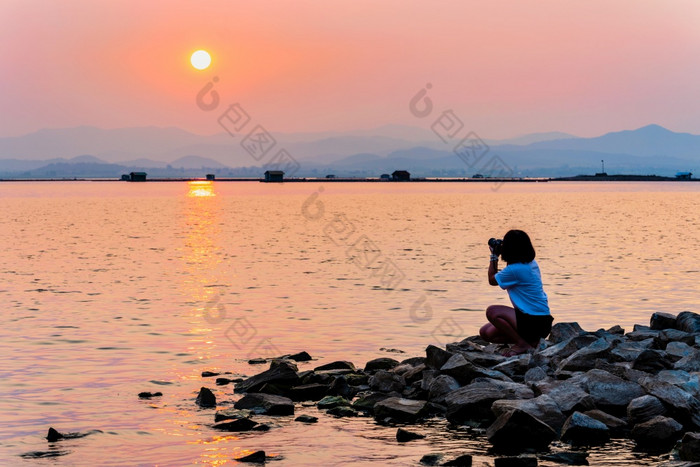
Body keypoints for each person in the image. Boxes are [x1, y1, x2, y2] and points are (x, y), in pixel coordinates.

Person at [479, 230, 553, 356]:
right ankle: (531, 342)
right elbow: (507, 271)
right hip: (541, 322)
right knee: (486, 332)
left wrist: (494, 257)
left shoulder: (515, 270)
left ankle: (521, 344)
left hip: (533, 320)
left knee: (492, 311)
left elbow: (492, 280)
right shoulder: (530, 264)